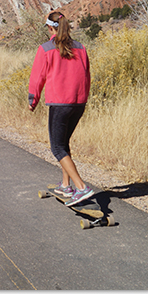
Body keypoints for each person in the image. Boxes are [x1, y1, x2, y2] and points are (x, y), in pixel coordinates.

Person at [28, 11, 93, 206]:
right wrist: (83, 98)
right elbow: (87, 75)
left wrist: (33, 100)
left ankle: (82, 188)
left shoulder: (47, 48)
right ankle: (66, 185)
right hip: (78, 103)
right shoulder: (80, 47)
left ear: (50, 27)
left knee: (57, 148)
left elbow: (37, 77)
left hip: (60, 104)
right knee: (64, 143)